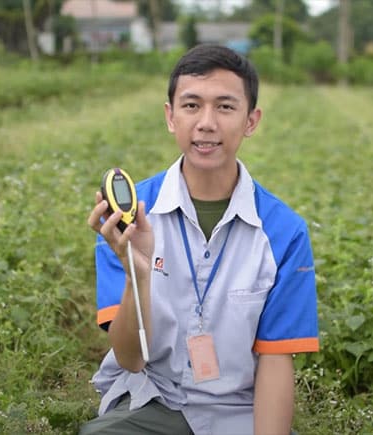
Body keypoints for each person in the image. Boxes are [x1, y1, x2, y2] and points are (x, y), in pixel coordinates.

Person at [82, 44, 319, 435]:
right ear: (170, 116)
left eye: (225, 107)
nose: (206, 123)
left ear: (251, 120)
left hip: (239, 408)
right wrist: (136, 275)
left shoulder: (284, 231)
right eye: (191, 106)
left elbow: (277, 361)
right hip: (152, 399)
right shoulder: (130, 215)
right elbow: (130, 359)